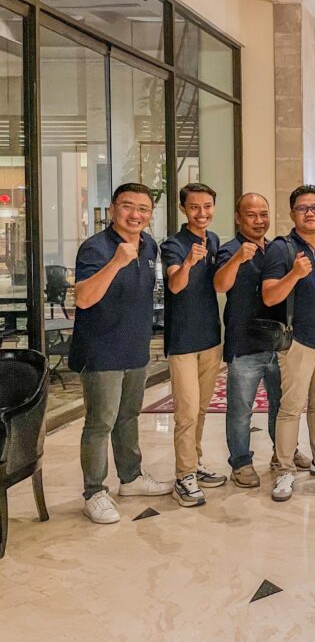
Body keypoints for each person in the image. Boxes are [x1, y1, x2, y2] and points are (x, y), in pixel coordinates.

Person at [71, 183, 173, 524]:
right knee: (100, 422)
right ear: (113, 208)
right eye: (128, 206)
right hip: (101, 350)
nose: (135, 214)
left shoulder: (149, 245)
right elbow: (83, 298)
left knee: (128, 416)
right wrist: (116, 262)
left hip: (135, 347)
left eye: (143, 209)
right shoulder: (95, 248)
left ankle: (130, 478)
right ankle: (94, 492)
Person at [215, 193, 309, 488]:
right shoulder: (230, 249)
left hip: (278, 342)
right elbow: (220, 285)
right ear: (238, 218)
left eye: (263, 214)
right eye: (251, 215)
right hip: (244, 343)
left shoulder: (277, 249)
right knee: (241, 409)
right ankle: (241, 463)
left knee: (281, 405)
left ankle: (283, 452)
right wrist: (237, 259)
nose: (259, 220)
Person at [262, 185, 315, 503]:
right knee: (291, 408)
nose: (310, 213)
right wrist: (295, 274)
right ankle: (284, 468)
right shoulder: (281, 249)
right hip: (298, 341)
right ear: (292, 213)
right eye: (302, 208)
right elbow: (270, 296)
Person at [161, 183, 226, 507]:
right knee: (186, 412)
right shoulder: (173, 244)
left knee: (200, 409)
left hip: (210, 338)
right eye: (195, 207)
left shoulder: (213, 239)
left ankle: (195, 463)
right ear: (183, 209)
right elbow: (175, 285)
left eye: (207, 206)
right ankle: (183, 476)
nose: (202, 213)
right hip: (183, 341)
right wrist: (188, 262)